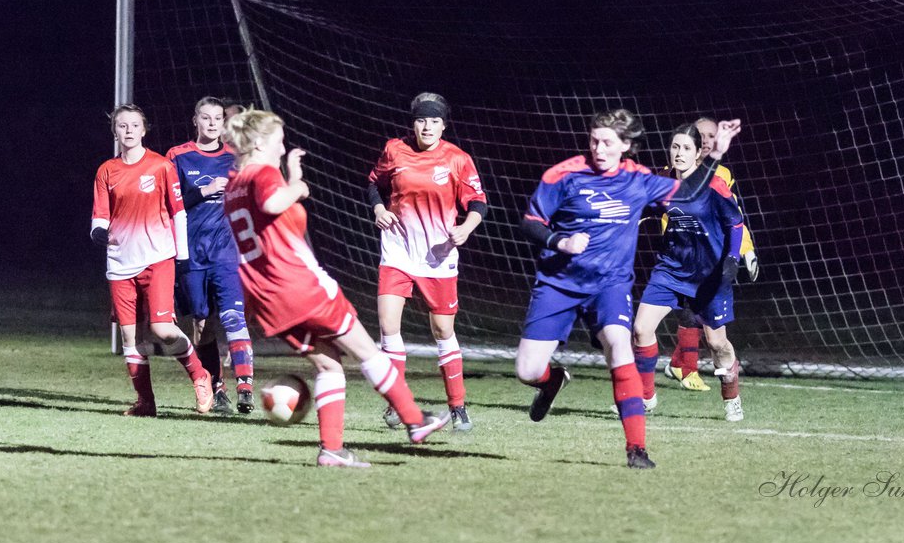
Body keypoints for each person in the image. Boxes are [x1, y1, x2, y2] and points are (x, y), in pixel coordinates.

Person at [223, 109, 451, 468]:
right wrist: (297, 186)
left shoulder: (234, 183)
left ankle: (332, 450)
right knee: (368, 352)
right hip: (300, 286)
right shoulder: (262, 173)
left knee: (329, 366)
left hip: (266, 298)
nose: (282, 150)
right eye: (280, 142)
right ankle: (415, 420)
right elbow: (272, 202)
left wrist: (291, 177)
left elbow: (266, 217)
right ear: (260, 142)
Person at [516, 108, 739, 469]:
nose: (598, 149)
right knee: (527, 370)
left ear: (626, 145)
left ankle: (636, 450)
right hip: (559, 282)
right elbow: (530, 222)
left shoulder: (638, 180)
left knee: (622, 346)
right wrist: (560, 241)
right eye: (594, 141)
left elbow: (690, 194)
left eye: (607, 142)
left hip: (609, 284)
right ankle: (552, 380)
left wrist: (713, 157)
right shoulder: (564, 174)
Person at [366, 93, 488, 431]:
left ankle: (458, 405)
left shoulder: (457, 159)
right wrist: (378, 209)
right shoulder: (394, 149)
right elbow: (374, 183)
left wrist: (466, 227)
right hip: (398, 251)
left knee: (442, 330)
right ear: (413, 123)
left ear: (444, 125)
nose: (427, 126)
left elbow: (478, 202)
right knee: (389, 327)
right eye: (422, 120)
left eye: (434, 121)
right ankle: (397, 404)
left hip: (438, 255)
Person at [91, 104, 214, 417]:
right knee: (130, 337)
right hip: (120, 265)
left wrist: (182, 256)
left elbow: (179, 212)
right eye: (122, 125)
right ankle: (145, 403)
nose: (129, 130)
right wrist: (99, 232)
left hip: (157, 258)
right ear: (115, 132)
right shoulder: (107, 170)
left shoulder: (161, 166)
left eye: (134, 125)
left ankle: (200, 374)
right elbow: (101, 216)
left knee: (161, 329)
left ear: (144, 130)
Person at [632, 122, 747, 421]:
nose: (679, 153)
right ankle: (646, 398)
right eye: (675, 147)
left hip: (708, 276)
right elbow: (648, 209)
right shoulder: (663, 184)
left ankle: (731, 394)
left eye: (686, 148)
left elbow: (735, 223)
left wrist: (733, 257)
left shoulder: (713, 184)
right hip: (670, 269)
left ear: (698, 154)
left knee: (717, 344)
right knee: (641, 329)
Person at [166, 96, 256, 415]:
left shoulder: (236, 157)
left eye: (218, 118)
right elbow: (170, 203)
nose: (212, 123)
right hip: (190, 253)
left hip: (226, 251)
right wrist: (205, 190)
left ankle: (245, 385)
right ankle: (218, 389)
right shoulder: (178, 156)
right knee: (202, 322)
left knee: (233, 314)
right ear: (196, 120)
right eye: (206, 118)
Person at [664, 117, 759, 392]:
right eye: (700, 135)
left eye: (710, 136)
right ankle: (682, 369)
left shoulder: (722, 176)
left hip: (709, 256)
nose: (705, 140)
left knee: (705, 325)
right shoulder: (671, 171)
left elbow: (733, 218)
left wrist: (746, 251)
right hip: (676, 254)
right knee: (676, 314)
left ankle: (681, 365)